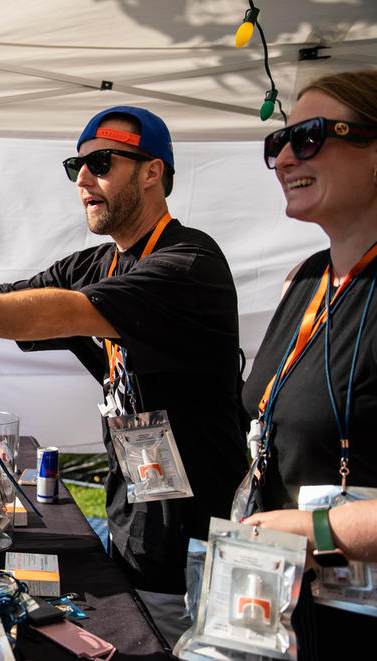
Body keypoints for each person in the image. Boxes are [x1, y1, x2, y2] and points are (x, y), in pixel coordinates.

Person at [0, 106, 248, 645]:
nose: (83, 179)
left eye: (101, 163)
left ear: (153, 172)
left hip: (196, 547)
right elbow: (10, 296)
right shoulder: (102, 263)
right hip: (135, 521)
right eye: (76, 166)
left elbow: (61, 312)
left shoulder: (187, 263)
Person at [238, 70, 377, 657]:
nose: (285, 157)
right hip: (286, 617)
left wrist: (318, 530)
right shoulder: (307, 280)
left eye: (311, 136)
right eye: (278, 143)